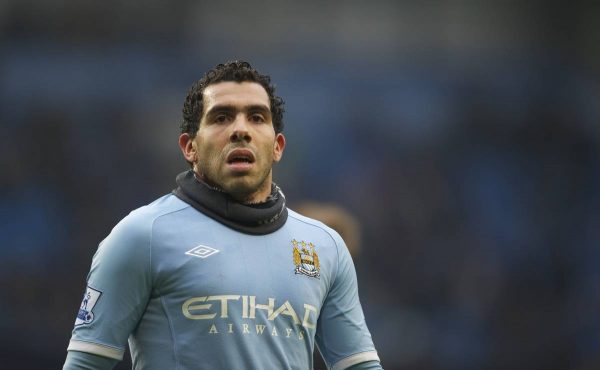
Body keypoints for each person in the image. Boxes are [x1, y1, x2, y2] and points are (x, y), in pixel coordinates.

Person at [63, 60, 382, 370]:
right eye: (221, 117)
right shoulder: (140, 236)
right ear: (190, 148)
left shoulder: (325, 247)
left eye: (257, 117)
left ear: (277, 147)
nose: (240, 130)